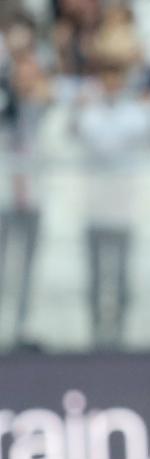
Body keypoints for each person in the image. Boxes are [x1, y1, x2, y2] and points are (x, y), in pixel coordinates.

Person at [76, 59, 150, 348]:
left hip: (123, 207)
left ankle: (120, 333)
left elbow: (123, 138)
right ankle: (96, 333)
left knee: (121, 275)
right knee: (95, 276)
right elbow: (98, 141)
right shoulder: (91, 111)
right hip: (94, 206)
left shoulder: (133, 112)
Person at [0, 37, 50, 346]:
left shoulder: (44, 109)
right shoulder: (6, 108)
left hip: (33, 200)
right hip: (5, 201)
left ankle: (22, 327)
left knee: (28, 269)